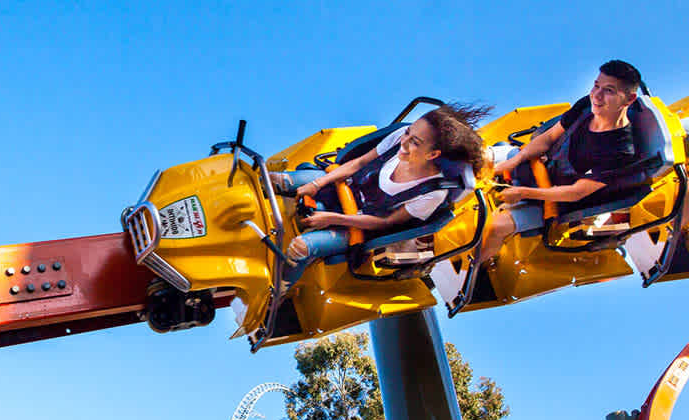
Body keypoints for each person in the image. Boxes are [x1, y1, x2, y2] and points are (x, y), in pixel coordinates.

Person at [269, 103, 491, 292]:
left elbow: (386, 223)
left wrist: (331, 219)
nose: (404, 143)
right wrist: (316, 184)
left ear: (433, 155)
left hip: (359, 225)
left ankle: (278, 290)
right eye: (408, 133)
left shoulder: (432, 192)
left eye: (415, 142)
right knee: (278, 180)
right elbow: (358, 163)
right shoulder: (398, 140)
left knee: (301, 248)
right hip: (342, 187)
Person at [478, 60, 643, 266]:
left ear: (629, 99)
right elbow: (549, 138)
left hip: (553, 201)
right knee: (479, 157)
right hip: (537, 166)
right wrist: (515, 161)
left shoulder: (620, 151)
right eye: (596, 86)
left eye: (608, 90)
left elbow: (576, 192)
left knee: (494, 229)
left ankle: (478, 266)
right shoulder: (586, 106)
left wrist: (523, 193)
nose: (597, 96)